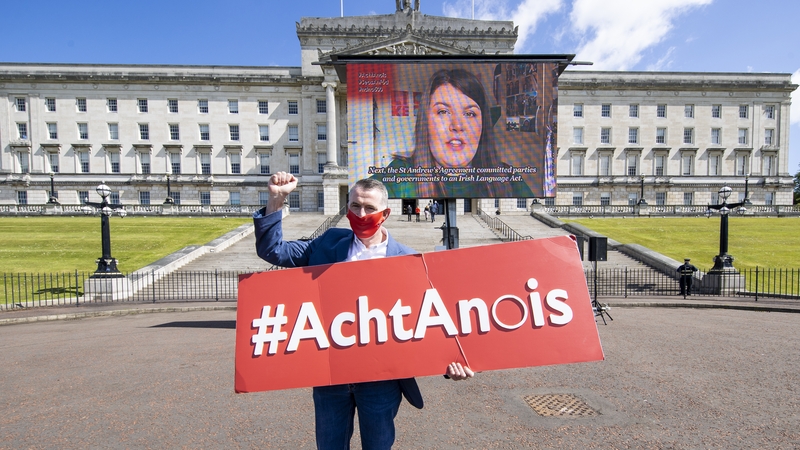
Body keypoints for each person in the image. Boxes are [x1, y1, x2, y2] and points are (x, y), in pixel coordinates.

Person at [253, 172, 474, 449]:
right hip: (332, 377)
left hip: (381, 381)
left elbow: (430, 319)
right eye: (355, 206)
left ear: (386, 213)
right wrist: (276, 199)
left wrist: (451, 363)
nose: (361, 213)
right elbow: (273, 250)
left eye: (370, 208)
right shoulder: (328, 242)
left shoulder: (408, 260)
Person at [375, 68, 533, 199]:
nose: (457, 126)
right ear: (426, 122)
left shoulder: (509, 178)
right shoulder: (399, 176)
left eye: (470, 114)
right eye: (443, 112)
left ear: (483, 125)